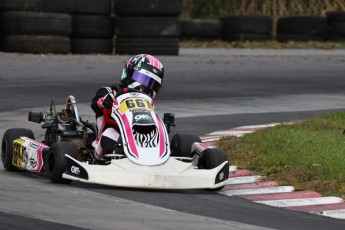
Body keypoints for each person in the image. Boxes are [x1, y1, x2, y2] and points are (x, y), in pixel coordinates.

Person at [90, 54, 165, 159]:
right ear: (128, 74)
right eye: (142, 79)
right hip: (108, 139)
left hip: (137, 138)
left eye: (152, 85)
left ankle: (159, 157)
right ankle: (109, 160)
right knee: (111, 134)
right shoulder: (109, 91)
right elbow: (95, 104)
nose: (145, 88)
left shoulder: (148, 103)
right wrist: (106, 101)